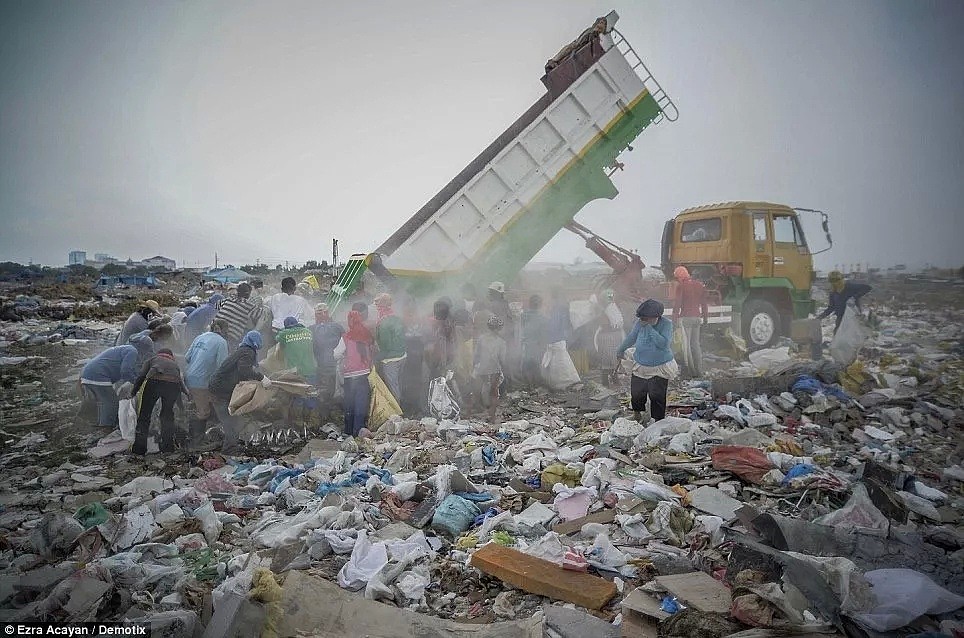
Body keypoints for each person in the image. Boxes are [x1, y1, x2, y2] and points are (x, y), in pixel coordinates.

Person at [616, 299, 678, 422]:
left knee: (657, 396)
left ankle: (658, 421)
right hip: (640, 365)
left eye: (646, 318)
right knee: (637, 393)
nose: (643, 321)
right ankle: (637, 415)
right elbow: (631, 337)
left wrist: (650, 329)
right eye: (642, 318)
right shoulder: (640, 323)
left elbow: (664, 344)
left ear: (656, 316)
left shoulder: (666, 324)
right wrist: (620, 350)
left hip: (659, 367)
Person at [208, 331, 270, 453]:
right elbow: (244, 370)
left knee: (232, 419)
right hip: (221, 390)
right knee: (229, 421)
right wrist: (261, 377)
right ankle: (229, 450)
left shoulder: (242, 350)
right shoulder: (248, 352)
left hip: (218, 387)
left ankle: (230, 445)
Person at [80, 336, 155, 428]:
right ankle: (106, 427)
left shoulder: (126, 348)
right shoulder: (132, 351)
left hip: (88, 373)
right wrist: (136, 383)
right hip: (98, 376)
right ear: (143, 348)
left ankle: (85, 419)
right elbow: (125, 371)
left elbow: (128, 369)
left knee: (98, 400)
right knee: (111, 403)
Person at [130, 348, 190, 454]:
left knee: (144, 415)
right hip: (173, 385)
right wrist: (181, 406)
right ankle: (168, 447)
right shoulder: (174, 365)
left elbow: (141, 376)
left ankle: (139, 449)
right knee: (167, 416)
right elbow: (180, 385)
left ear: (159, 354)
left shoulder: (152, 359)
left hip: (154, 382)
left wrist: (134, 392)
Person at [184, 319, 230, 446]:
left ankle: (203, 434)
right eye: (227, 330)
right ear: (223, 330)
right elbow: (223, 367)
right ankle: (196, 442)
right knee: (204, 411)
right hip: (202, 381)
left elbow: (187, 358)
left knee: (204, 405)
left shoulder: (200, 337)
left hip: (189, 377)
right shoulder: (221, 342)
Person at [334, 310, 373, 437]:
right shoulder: (366, 333)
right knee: (361, 402)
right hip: (365, 373)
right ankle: (359, 430)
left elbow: (336, 354)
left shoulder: (346, 337)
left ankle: (349, 431)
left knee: (350, 403)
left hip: (350, 375)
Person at [310, 303, 344, 424]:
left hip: (327, 365)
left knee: (325, 391)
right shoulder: (337, 326)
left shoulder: (312, 329)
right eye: (318, 313)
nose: (319, 315)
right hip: (331, 365)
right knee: (333, 391)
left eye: (320, 313)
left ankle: (326, 417)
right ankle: (333, 416)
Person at [671, 267, 709, 376]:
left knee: (686, 346)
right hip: (697, 318)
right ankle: (699, 371)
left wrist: (674, 321)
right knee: (695, 345)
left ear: (679, 277)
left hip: (686, 318)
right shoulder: (699, 285)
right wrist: (705, 319)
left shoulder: (681, 286)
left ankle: (690, 371)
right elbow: (704, 304)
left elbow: (677, 305)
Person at [373, 293, 406, 402]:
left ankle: (397, 412)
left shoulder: (383, 322)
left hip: (390, 359)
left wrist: (377, 358)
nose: (376, 307)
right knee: (398, 383)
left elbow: (385, 344)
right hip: (402, 355)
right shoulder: (396, 316)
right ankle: (400, 406)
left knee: (393, 387)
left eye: (378, 304)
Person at [474, 314, 507, 424]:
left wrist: (475, 365)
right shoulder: (501, 342)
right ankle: (492, 416)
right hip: (494, 369)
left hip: (482, 368)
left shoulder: (481, 338)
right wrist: (505, 369)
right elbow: (502, 359)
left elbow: (477, 354)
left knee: (479, 389)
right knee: (494, 392)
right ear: (499, 328)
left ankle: (479, 410)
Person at [216, 282, 265, 352]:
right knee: (229, 356)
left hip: (215, 331)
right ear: (248, 294)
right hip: (230, 336)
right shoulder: (249, 306)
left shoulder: (228, 299)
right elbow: (260, 315)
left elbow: (216, 306)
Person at [595, 289, 625, 386]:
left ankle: (613, 377)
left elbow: (618, 321)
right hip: (606, 336)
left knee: (614, 358)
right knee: (606, 359)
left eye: (611, 296)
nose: (610, 299)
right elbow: (604, 323)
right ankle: (605, 380)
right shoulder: (603, 309)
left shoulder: (613, 307)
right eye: (608, 297)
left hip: (615, 335)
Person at [276, 316, 317, 380]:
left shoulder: (285, 333)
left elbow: (277, 338)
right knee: (312, 388)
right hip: (310, 368)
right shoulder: (308, 331)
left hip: (296, 371)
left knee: (298, 389)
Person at [521, 294, 549, 387]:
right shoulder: (544, 318)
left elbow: (520, 331)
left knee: (527, 366)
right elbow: (544, 334)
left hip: (527, 345)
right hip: (537, 345)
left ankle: (530, 385)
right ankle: (535, 385)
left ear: (529, 304)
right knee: (536, 365)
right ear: (540, 304)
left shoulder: (523, 315)